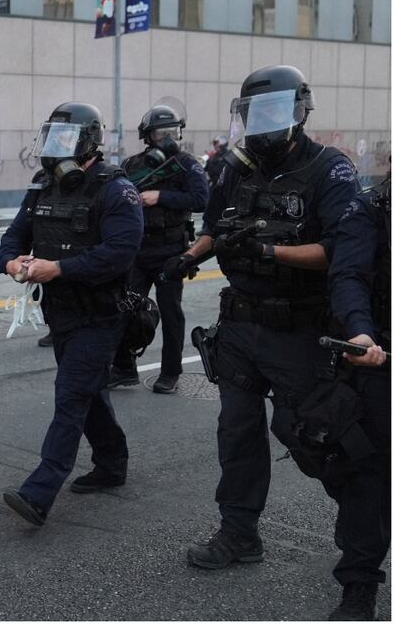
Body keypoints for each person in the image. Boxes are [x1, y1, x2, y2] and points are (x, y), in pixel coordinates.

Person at [167, 66, 362, 576]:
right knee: (236, 432)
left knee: (310, 435)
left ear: (299, 112)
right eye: (254, 114)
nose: (263, 124)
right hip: (239, 327)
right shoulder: (236, 169)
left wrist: (271, 250)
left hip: (298, 330)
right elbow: (215, 228)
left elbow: (341, 252)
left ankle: (361, 530)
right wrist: (189, 257)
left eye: (273, 112)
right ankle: (239, 533)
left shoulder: (329, 170)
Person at [0, 102, 143, 527]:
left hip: (100, 314)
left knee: (71, 392)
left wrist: (58, 268)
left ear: (89, 144)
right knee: (89, 390)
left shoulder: (115, 189)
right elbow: (14, 235)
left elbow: (119, 252)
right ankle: (112, 464)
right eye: (52, 139)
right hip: (60, 312)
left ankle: (39, 492)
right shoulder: (43, 186)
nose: (54, 150)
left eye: (65, 140)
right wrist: (11, 263)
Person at [319, 171, 390, 620]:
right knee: (365, 470)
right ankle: (360, 583)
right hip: (379, 353)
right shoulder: (372, 208)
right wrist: (361, 333)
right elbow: (347, 275)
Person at [107, 104, 209, 394]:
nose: (167, 138)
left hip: (170, 251)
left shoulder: (186, 164)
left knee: (171, 313)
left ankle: (170, 373)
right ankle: (124, 368)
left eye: (172, 132)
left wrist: (159, 196)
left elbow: (201, 198)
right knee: (126, 308)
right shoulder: (131, 166)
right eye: (160, 133)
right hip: (138, 250)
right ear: (147, 136)